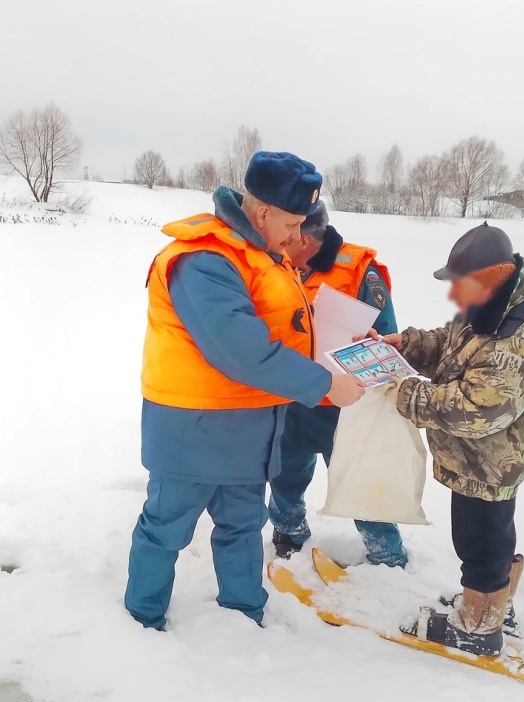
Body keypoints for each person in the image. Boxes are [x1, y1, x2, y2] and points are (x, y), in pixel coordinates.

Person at [125, 152, 365, 631]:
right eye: (294, 223)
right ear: (262, 214)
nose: (301, 237)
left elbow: (284, 328)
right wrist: (322, 384)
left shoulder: (259, 255)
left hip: (250, 428)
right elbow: (239, 349)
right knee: (166, 529)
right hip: (192, 428)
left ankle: (244, 614)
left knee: (243, 528)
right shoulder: (205, 259)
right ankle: (142, 619)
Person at [382, 222, 524, 655]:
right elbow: (453, 342)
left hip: (491, 457)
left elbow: (476, 410)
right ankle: (490, 600)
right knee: (490, 533)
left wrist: (405, 392)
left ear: (487, 279)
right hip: (482, 457)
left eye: (459, 285)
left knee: (478, 539)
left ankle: (480, 626)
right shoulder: (496, 306)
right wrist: (406, 345)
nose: (453, 297)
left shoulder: (520, 339)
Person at [268, 202, 408, 568]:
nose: (283, 244)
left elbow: (386, 339)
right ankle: (287, 531)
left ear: (308, 237)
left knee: (359, 481)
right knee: (284, 473)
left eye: (292, 237)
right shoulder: (275, 263)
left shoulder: (361, 272)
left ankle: (387, 555)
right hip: (292, 396)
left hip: (345, 404)